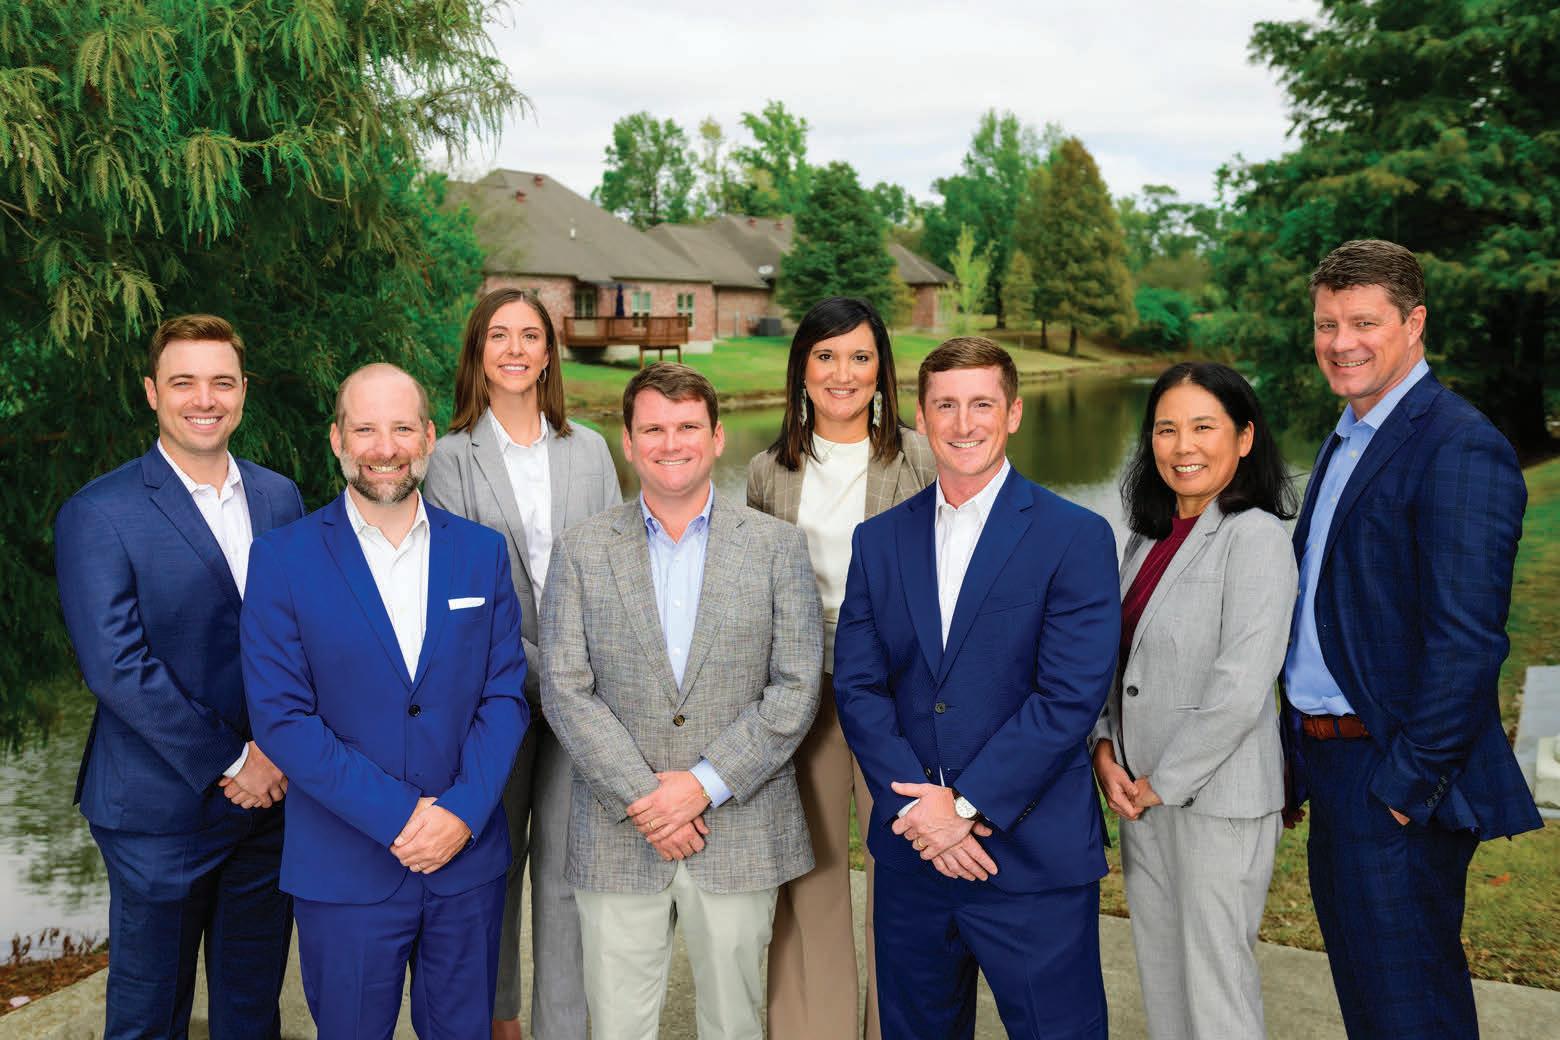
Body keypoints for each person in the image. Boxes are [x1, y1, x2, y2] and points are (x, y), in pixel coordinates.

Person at [1283, 239, 1542, 1038]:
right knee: (1374, 1002)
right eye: (1327, 324)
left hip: (1391, 772)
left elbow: (1467, 642)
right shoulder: (1349, 435)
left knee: (1410, 1009)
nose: (1341, 343)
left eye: (1364, 323)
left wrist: (1405, 788)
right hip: (1333, 764)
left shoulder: (1456, 444)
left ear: (1414, 322)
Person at [834, 338, 1119, 1039]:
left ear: (1013, 413)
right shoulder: (878, 541)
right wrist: (922, 815)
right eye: (946, 406)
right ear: (922, 417)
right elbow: (860, 688)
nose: (964, 424)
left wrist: (963, 806)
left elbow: (1069, 696)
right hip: (913, 857)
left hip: (1031, 858)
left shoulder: (1075, 535)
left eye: (982, 404)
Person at [241, 363, 528, 1038]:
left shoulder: (481, 553)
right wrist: (400, 815)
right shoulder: (282, 559)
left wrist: (460, 812)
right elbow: (283, 718)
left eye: (401, 428)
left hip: (465, 862)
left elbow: (504, 697)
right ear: (337, 439)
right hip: (345, 868)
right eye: (365, 429)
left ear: (428, 437)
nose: (385, 448)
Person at [540, 363, 822, 1040]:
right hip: (619, 830)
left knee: (734, 1024)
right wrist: (647, 797)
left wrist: (700, 786)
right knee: (617, 1028)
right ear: (628, 442)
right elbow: (565, 688)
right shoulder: (581, 551)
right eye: (653, 429)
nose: (672, 443)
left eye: (688, 426)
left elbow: (795, 686)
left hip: (739, 827)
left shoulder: (777, 548)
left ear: (717, 437)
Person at [55, 315, 302, 1040]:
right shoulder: (99, 512)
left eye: (222, 382)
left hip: (269, 804)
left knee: (252, 1012)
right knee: (148, 1017)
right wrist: (234, 760)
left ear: (243, 392)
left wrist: (278, 751)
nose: (204, 399)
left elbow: (300, 637)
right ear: (151, 392)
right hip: (156, 813)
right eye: (184, 382)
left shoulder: (280, 498)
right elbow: (116, 666)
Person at [423, 287, 620, 1040]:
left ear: (548, 352)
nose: (514, 349)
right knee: (490, 870)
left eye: (530, 335)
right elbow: (463, 601)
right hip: (490, 699)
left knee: (568, 877)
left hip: (583, 703)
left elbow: (615, 571)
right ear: (478, 351)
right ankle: (496, 1020)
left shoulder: (589, 450)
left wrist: (576, 684)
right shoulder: (448, 459)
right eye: (498, 335)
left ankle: (562, 1029)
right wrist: (553, 675)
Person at [745, 296, 934, 1040]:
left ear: (882, 369)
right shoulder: (768, 472)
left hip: (901, 693)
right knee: (810, 872)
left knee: (904, 870)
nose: (843, 373)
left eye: (860, 356)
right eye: (825, 356)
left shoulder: (922, 459)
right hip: (804, 693)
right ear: (802, 369)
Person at [1091, 362, 1298, 1039]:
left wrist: (1162, 782)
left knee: (1215, 989)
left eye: (1204, 427)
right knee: (1163, 975)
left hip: (1216, 799)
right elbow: (1117, 660)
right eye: (1166, 429)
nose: (1183, 446)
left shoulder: (1256, 537)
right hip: (1140, 793)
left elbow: (1241, 686)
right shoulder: (1146, 536)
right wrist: (1104, 748)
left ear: (1245, 437)